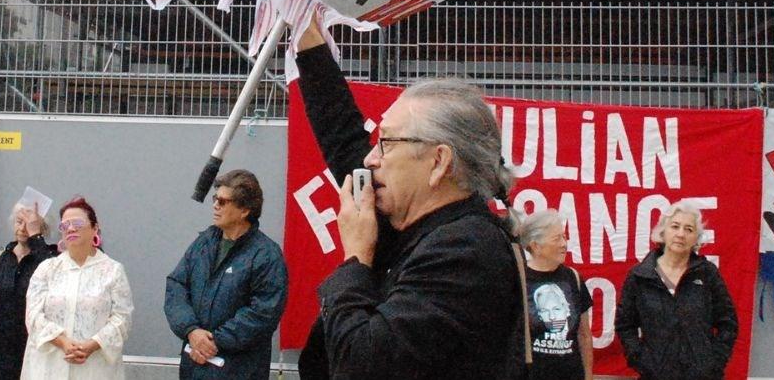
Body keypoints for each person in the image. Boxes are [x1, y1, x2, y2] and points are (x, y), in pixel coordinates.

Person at [294, 21, 528, 380]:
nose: (372, 159)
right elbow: (344, 139)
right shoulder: (424, 226)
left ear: (438, 163)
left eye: (386, 143)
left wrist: (355, 259)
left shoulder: (464, 251)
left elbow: (360, 365)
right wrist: (306, 38)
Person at [165, 169, 287, 380]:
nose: (215, 205)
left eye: (222, 201)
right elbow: (176, 285)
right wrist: (192, 331)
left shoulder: (267, 256)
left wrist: (214, 341)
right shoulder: (204, 243)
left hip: (239, 370)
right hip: (194, 366)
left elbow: (263, 313)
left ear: (244, 210)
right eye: (215, 199)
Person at [614, 201, 738, 380]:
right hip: (655, 375)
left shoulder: (707, 273)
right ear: (663, 232)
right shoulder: (640, 276)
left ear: (696, 238)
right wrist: (641, 360)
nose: (681, 234)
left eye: (689, 229)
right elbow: (625, 325)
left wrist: (713, 362)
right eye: (675, 226)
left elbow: (728, 323)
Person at [21, 198, 133, 380]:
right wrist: (63, 341)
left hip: (95, 368)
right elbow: (33, 315)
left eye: (78, 223)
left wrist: (92, 344)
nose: (71, 229)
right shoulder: (47, 269)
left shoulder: (113, 270)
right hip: (49, 366)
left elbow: (122, 318)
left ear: (95, 228)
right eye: (65, 226)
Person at [0, 204, 57, 380]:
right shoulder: (0, 258)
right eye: (19, 222)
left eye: (30, 224)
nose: (23, 228)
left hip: (31, 353)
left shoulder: (49, 259)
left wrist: (36, 237)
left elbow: (56, 276)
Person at [518, 209, 592, 380]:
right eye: (556, 238)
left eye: (564, 237)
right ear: (536, 245)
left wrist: (588, 376)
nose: (563, 244)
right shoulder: (519, 277)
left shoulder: (573, 278)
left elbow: (584, 335)